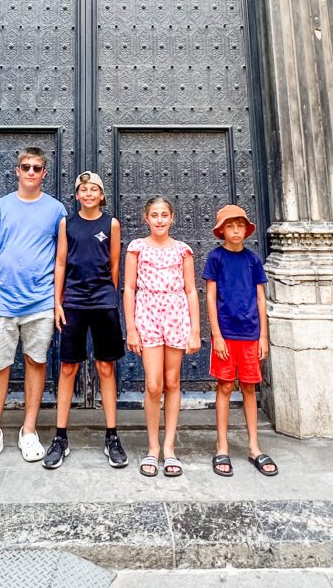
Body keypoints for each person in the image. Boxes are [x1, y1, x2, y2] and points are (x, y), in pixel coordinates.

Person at [0, 147, 67, 468]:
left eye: (37, 168)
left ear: (44, 173)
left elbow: (60, 260)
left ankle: (28, 430)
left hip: (40, 302)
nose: (30, 172)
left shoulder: (56, 210)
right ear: (16, 170)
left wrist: (56, 302)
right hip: (0, 302)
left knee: (35, 363)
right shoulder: (0, 208)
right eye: (25, 167)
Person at [43, 171, 127, 470]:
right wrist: (58, 302)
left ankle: (112, 436)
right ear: (77, 195)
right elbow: (61, 262)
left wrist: (107, 293)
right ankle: (61, 436)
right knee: (68, 367)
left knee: (106, 366)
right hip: (73, 302)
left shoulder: (111, 224)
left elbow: (115, 264)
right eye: (83, 189)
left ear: (101, 195)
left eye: (94, 189)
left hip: (103, 302)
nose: (89, 194)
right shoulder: (68, 223)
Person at [123, 196, 200, 477]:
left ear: (172, 218)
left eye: (164, 215)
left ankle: (169, 448)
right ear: (146, 218)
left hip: (176, 314)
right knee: (154, 385)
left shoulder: (183, 251)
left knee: (172, 381)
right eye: (154, 215)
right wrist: (131, 328)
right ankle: (152, 447)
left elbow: (191, 290)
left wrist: (195, 331)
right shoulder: (136, 248)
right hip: (148, 313)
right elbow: (129, 289)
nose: (159, 220)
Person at [204, 204, 278, 477]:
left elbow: (260, 298)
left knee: (249, 388)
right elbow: (210, 297)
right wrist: (216, 335)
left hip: (250, 334)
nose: (235, 230)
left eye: (240, 226)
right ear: (221, 230)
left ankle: (254, 446)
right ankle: (221, 445)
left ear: (246, 230)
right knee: (224, 387)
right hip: (226, 334)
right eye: (230, 226)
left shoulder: (253, 259)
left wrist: (263, 336)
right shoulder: (216, 258)